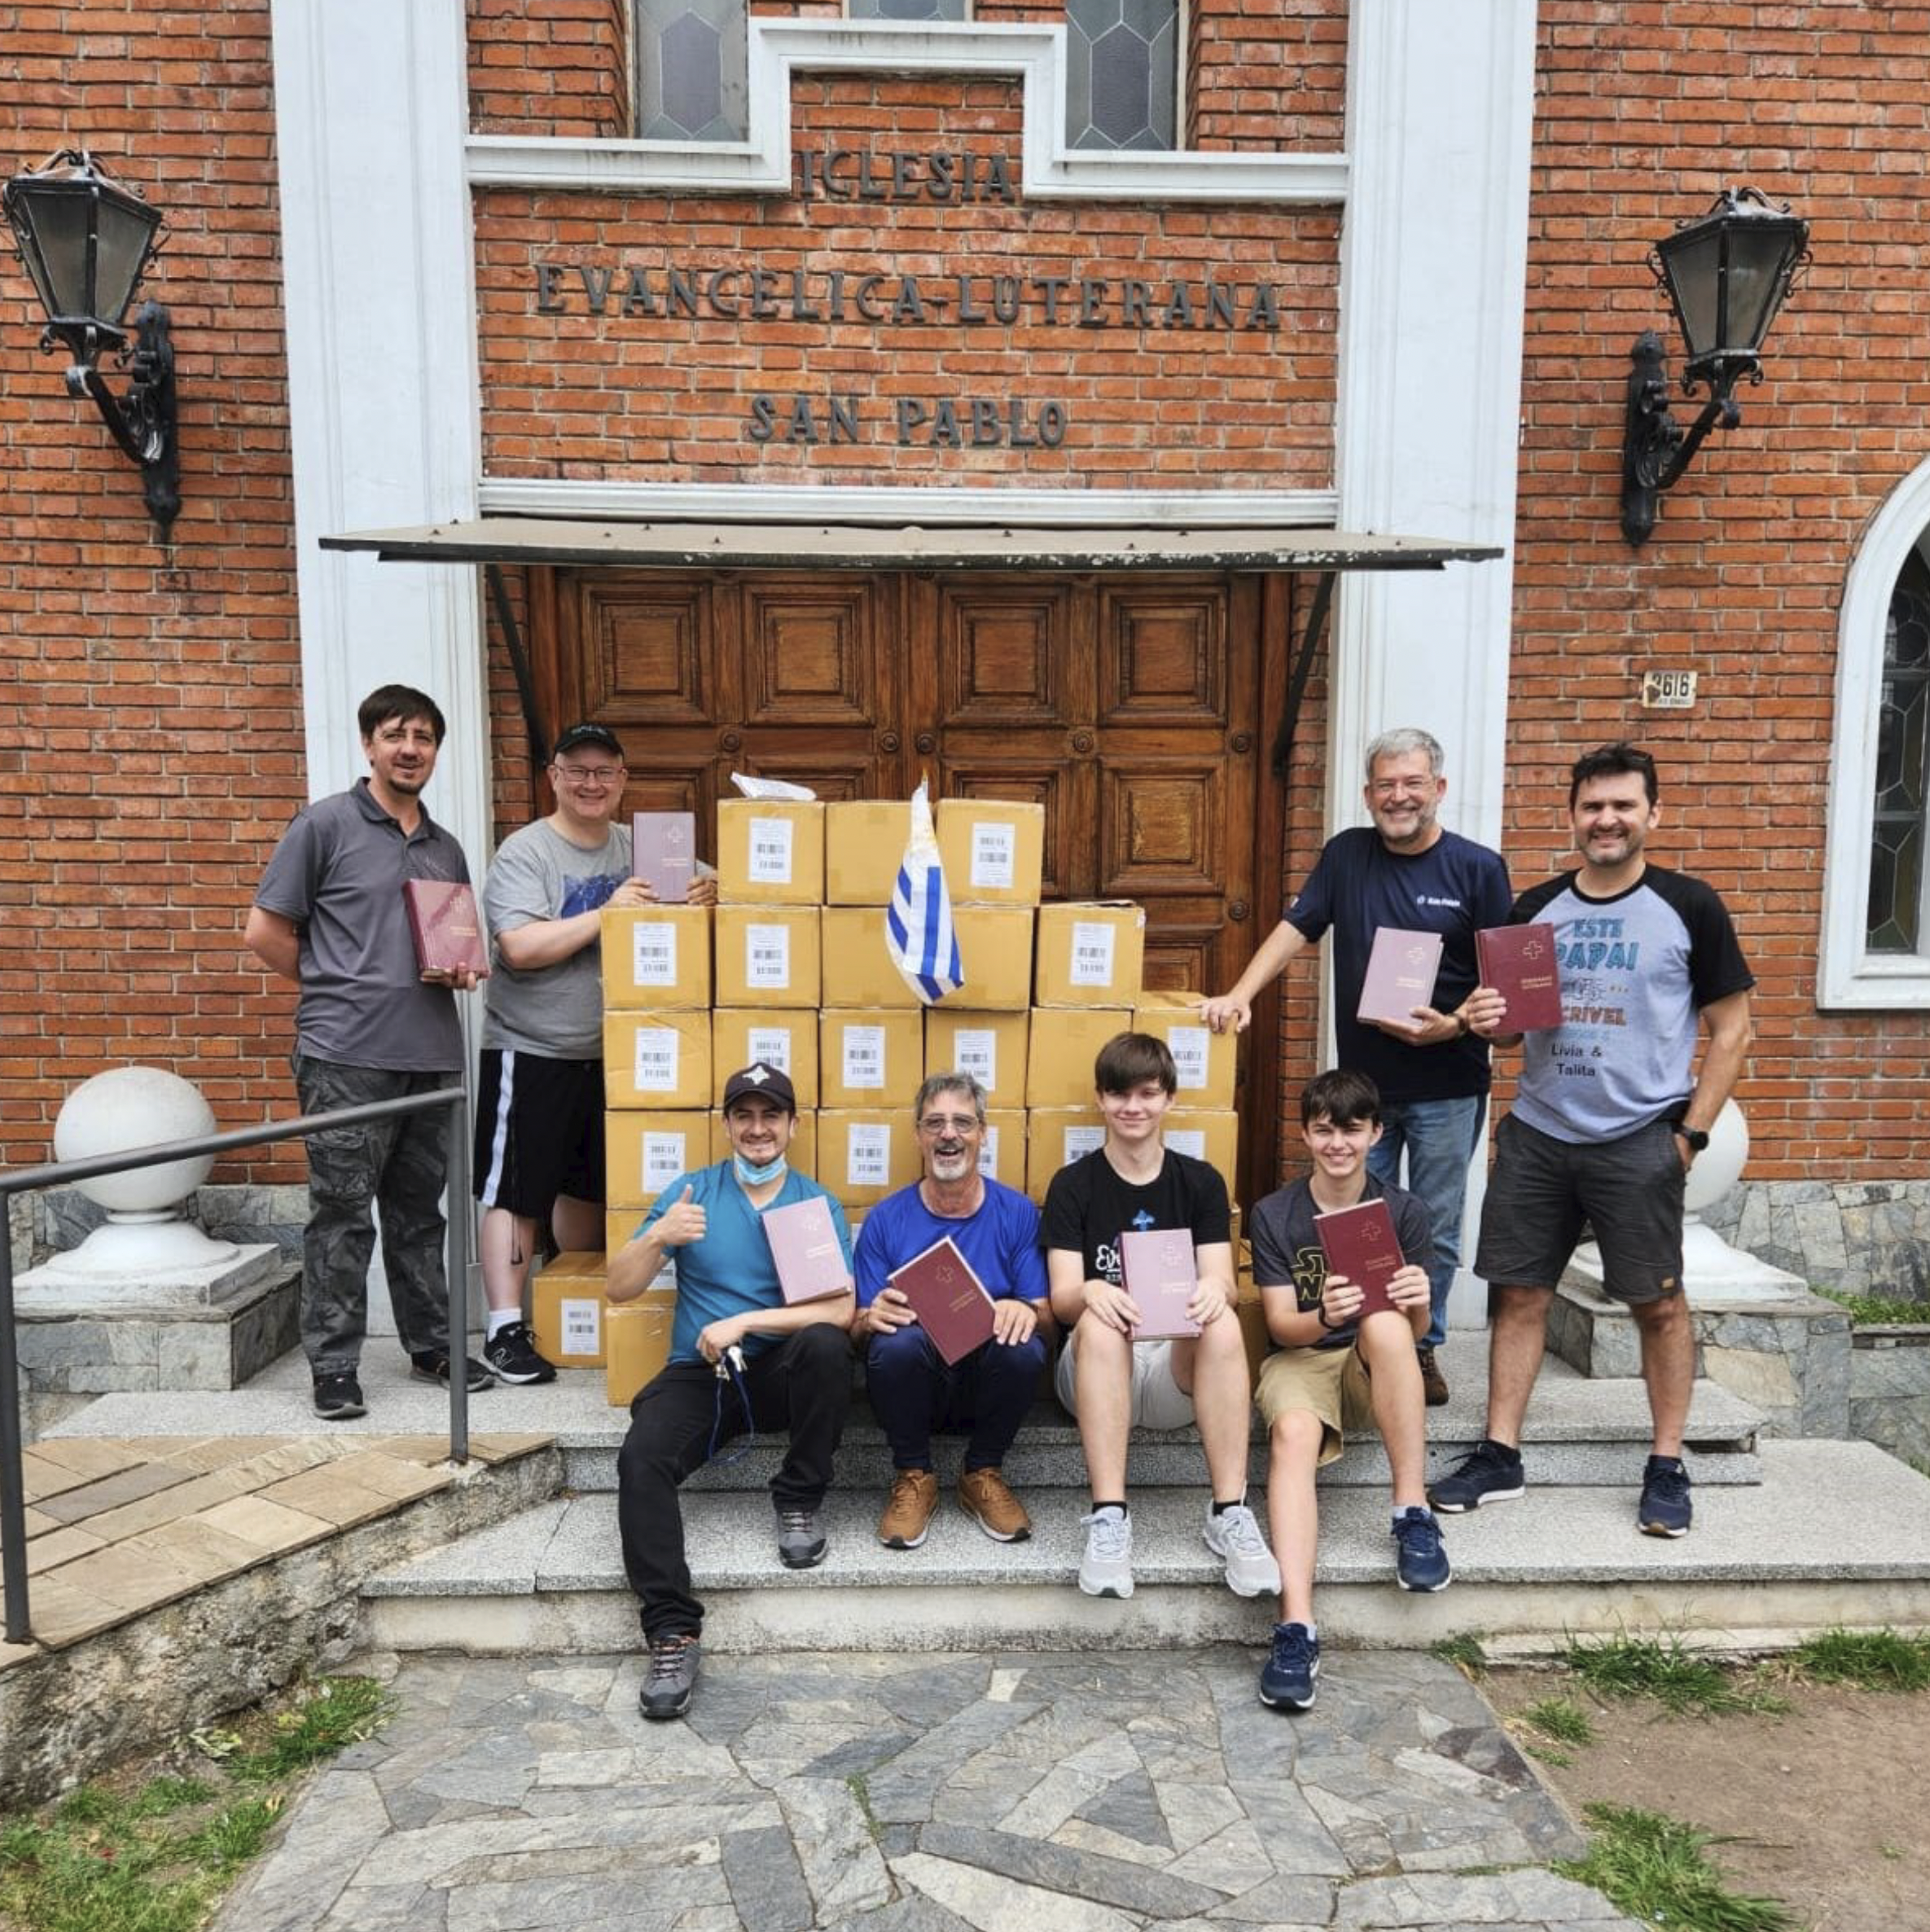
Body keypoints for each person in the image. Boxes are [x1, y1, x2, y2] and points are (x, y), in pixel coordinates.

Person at [1433, 743, 1754, 1539]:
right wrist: (1487, 1021)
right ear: (1573, 815)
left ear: (1652, 813)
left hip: (1640, 1138)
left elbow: (1733, 1029)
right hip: (1540, 1134)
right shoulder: (1534, 908)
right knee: (1519, 1293)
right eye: (1592, 806)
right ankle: (1500, 1454)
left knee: (1658, 1303)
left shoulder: (1689, 905)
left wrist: (1690, 1135)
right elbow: (1511, 1034)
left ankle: (1666, 1462)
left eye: (1622, 805)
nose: (1606, 819)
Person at [1203, 727, 1512, 1406]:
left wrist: (1456, 1024)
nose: (1399, 797)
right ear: (1368, 794)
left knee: (1434, 1224)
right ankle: (1357, 1342)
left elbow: (1502, 988)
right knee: (1356, 1221)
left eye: (1413, 783)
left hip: (1448, 1085)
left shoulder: (1479, 869)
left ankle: (1421, 1347)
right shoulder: (1346, 854)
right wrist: (1241, 993)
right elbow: (1296, 928)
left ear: (1439, 788)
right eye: (1385, 785)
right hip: (1364, 1094)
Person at [247, 684, 495, 1420]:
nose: (410, 749)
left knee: (420, 1214)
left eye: (423, 737)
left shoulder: (444, 846)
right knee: (343, 1214)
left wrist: (462, 969)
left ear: (436, 750)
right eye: (395, 735)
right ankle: (333, 1366)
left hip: (432, 1056)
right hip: (345, 1057)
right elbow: (264, 932)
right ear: (369, 745)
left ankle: (433, 1345)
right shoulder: (323, 826)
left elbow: (453, 943)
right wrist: (334, 983)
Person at [471, 721, 716, 1385]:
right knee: (517, 1191)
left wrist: (711, 892)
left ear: (623, 780)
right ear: (553, 777)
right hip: (534, 1048)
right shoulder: (526, 852)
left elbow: (719, 890)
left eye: (604, 771)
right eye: (577, 771)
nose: (591, 783)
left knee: (588, 1190)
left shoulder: (644, 846)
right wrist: (608, 911)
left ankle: (576, 1306)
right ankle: (504, 1328)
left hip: (621, 1056)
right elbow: (518, 947)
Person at [610, 1063, 854, 1720]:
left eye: (771, 1115)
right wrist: (658, 1237)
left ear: (793, 1125)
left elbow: (840, 1310)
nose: (757, 1128)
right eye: (744, 1115)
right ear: (726, 1125)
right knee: (641, 1457)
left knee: (827, 1347)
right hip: (705, 1375)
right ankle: (672, 1631)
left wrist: (746, 1321)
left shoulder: (812, 1204)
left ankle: (798, 1501)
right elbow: (619, 1288)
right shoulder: (692, 1194)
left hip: (781, 1370)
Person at [1044, 1032, 1279, 1602]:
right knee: (1097, 1320)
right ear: (1100, 1099)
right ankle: (1109, 1517)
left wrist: (1211, 1291)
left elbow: (1223, 1281)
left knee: (1222, 1319)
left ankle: (1229, 1511)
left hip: (1176, 1369)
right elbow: (1062, 1298)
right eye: (1120, 1094)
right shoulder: (1073, 1184)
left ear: (1169, 1098)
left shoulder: (1200, 1181)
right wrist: (1093, 1291)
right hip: (1097, 1369)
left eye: (1148, 1093)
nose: (1134, 1107)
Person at [1250, 1069, 1448, 1712]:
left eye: (1352, 1130)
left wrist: (1419, 1304)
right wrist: (1326, 1315)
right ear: (1306, 1135)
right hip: (1302, 1356)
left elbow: (1411, 1335)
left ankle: (1410, 1512)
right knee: (1293, 1432)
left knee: (1387, 1323)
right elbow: (1281, 1326)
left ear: (1376, 1134)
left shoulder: (1403, 1212)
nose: (1338, 1144)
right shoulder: (1276, 1214)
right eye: (1324, 1130)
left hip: (1373, 1362)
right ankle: (1296, 1627)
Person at [851, 1072, 1051, 1549]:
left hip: (987, 1387)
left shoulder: (1017, 1213)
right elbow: (855, 1331)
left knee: (1024, 1345)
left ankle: (983, 1472)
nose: (948, 1134)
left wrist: (1025, 1310)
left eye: (963, 1122)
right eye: (934, 1123)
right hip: (913, 1389)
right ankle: (914, 1476)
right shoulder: (886, 1219)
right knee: (895, 1343)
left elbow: (1048, 1318)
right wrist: (869, 1319)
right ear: (918, 1135)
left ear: (983, 1133)